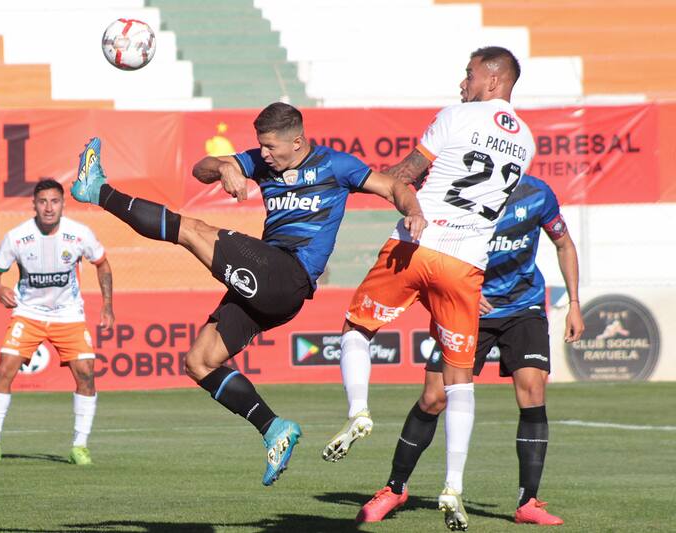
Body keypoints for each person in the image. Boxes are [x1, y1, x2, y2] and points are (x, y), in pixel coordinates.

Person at [69, 102, 426, 486]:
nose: (265, 154)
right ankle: (274, 428)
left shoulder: (335, 165)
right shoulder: (259, 161)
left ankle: (98, 191)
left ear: (298, 141)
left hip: (288, 274)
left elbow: (392, 185)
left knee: (191, 230)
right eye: (261, 146)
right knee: (199, 362)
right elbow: (200, 168)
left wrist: (414, 212)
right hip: (269, 284)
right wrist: (225, 167)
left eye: (272, 147)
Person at [323, 46, 536, 530]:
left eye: (470, 75)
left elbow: (404, 176)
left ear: (494, 81)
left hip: (418, 245)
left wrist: (350, 182)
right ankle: (453, 486)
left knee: (356, 327)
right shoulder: (525, 140)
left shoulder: (456, 115)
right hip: (465, 266)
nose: (463, 83)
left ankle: (358, 410)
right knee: (460, 382)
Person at [353, 173, 584, 526]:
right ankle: (395, 489)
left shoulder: (539, 194)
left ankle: (528, 502)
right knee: (434, 397)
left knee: (533, 389)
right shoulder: (459, 196)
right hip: (465, 304)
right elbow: (429, 259)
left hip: (524, 306)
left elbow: (564, 244)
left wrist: (575, 303)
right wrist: (463, 292)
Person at [0, 179, 114, 467]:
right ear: (34, 205)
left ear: (63, 203)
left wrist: (108, 306)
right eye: (43, 202)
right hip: (29, 314)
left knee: (86, 374)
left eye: (55, 201)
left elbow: (102, 263)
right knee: (4, 369)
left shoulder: (79, 234)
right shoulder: (17, 237)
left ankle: (80, 446)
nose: (49, 207)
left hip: (68, 315)